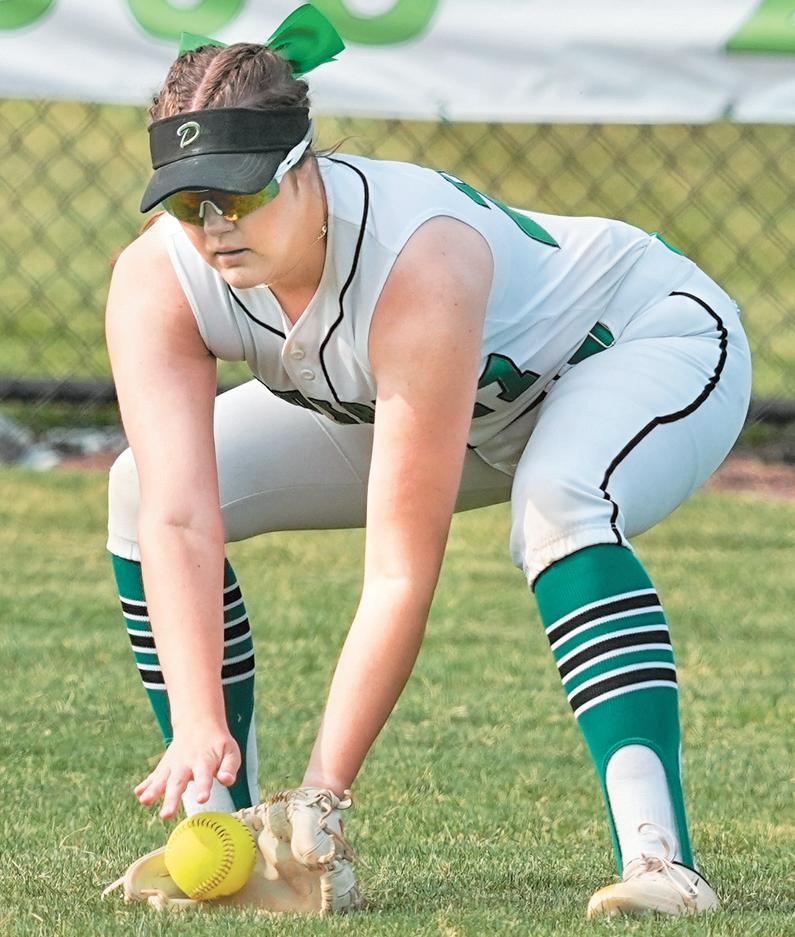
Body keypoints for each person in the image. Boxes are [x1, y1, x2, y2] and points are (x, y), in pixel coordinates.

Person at [105, 4, 751, 920]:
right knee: (136, 491)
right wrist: (198, 716)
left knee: (561, 500)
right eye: (186, 201)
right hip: (460, 404)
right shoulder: (158, 280)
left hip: (642, 342)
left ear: (304, 166)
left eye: (240, 193)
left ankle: (660, 860)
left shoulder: (415, 259)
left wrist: (324, 790)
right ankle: (225, 828)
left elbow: (399, 574)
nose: (214, 226)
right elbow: (177, 516)